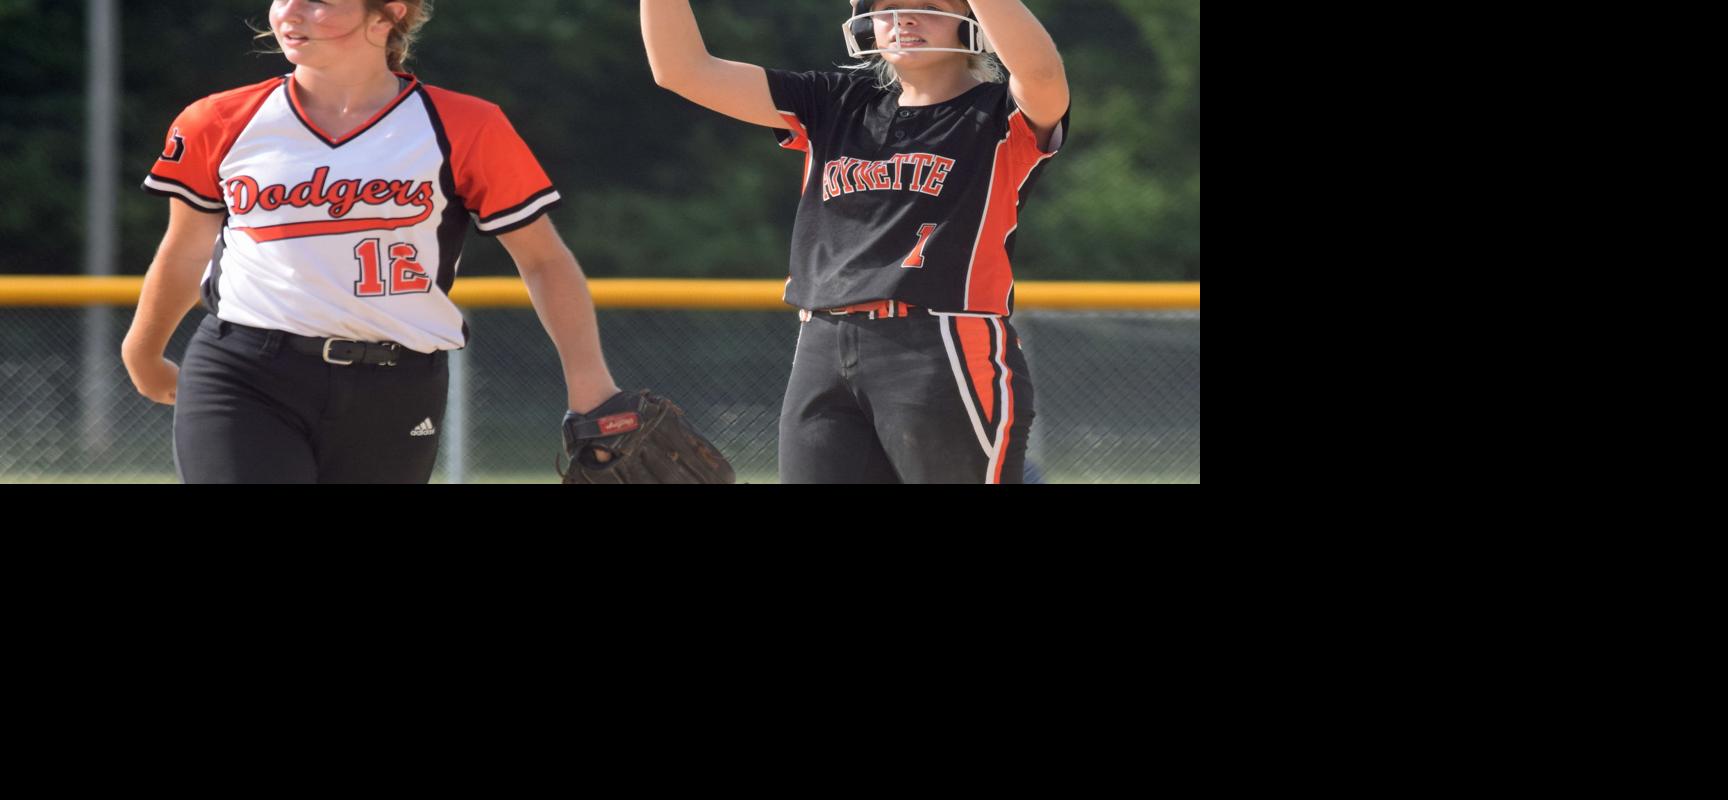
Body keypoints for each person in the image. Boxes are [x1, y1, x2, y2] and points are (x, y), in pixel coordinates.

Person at [121, 0, 622, 483]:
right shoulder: (220, 119)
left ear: (388, 14)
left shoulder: (465, 125)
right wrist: (142, 350)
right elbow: (185, 248)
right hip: (247, 371)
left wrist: (591, 386)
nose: (289, 11)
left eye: (317, 0)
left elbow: (543, 261)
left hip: (398, 384)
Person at [641, 0, 1069, 484]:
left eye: (929, 6)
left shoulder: (998, 113)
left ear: (972, 21)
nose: (904, 19)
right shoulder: (835, 103)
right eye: (888, 7)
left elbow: (1042, 73)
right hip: (821, 342)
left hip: (942, 341)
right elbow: (682, 69)